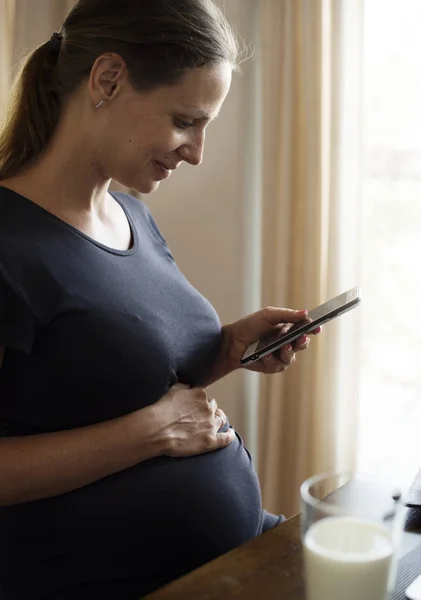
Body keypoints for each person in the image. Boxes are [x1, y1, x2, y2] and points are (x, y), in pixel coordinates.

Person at [0, 1, 321, 598]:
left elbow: (114, 376)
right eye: (184, 121)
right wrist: (152, 433)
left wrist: (228, 348)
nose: (195, 151)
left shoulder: (132, 216)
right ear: (108, 80)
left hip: (233, 552)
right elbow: (150, 417)